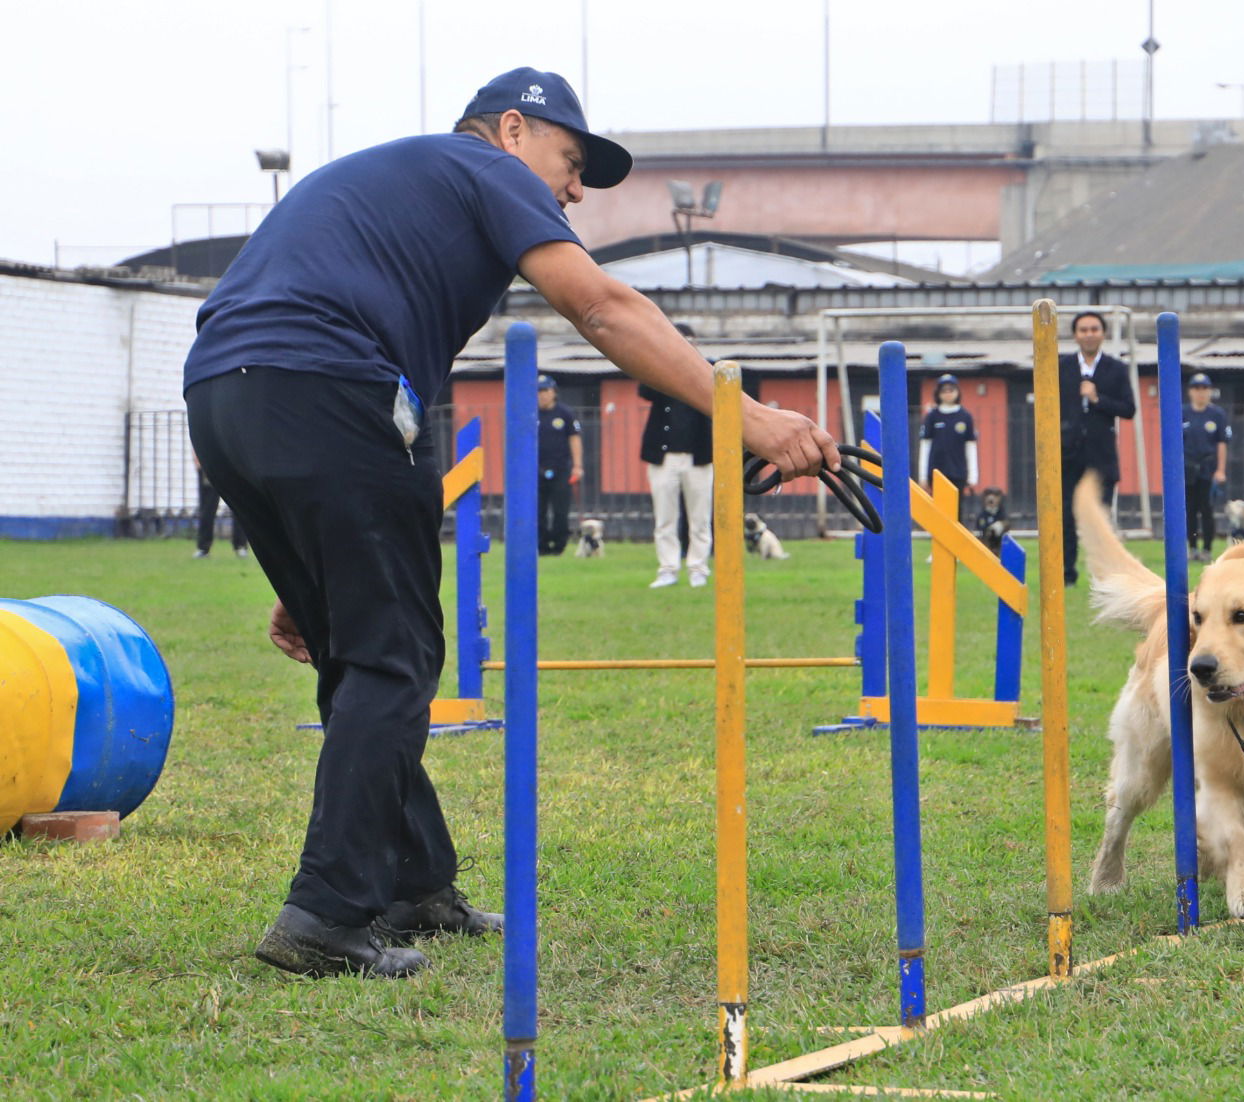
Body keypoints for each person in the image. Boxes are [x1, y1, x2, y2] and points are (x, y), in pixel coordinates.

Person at [182, 66, 837, 980]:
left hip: (222, 389)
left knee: (363, 651)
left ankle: (416, 883)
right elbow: (603, 306)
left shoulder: (404, 190)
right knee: (395, 657)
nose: (574, 191)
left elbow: (288, 347)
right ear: (514, 131)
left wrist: (310, 573)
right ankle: (326, 917)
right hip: (326, 385)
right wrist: (749, 416)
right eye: (572, 163)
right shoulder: (483, 169)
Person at [1058, 311, 1135, 585]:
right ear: (1075, 334)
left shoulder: (1116, 369)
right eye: (1083, 329)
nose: (1089, 334)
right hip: (1066, 455)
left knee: (1099, 518)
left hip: (1101, 456)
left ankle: (1102, 577)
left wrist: (1097, 398)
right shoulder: (1061, 367)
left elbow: (1128, 409)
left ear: (1102, 333)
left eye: (1094, 329)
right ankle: (1066, 574)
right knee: (1065, 515)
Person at [640, 321, 714, 588]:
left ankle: (698, 567)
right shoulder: (660, 371)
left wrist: (691, 360)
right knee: (665, 517)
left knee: (700, 517)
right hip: (665, 456)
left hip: (699, 457)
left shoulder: (708, 368)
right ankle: (668, 567)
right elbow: (644, 390)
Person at [1180, 374, 1230, 561]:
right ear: (1190, 391)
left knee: (1207, 510)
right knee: (1189, 510)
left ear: (1210, 391)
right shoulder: (1182, 412)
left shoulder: (1217, 414)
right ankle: (1192, 548)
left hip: (1208, 467)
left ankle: (1207, 549)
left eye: (1204, 389)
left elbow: (1222, 443)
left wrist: (1220, 470)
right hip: (1187, 467)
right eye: (1196, 389)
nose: (1200, 393)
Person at [536, 373, 583, 556]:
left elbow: (574, 439)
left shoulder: (565, 413)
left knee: (560, 512)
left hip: (561, 469)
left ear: (554, 392)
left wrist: (577, 466)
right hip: (536, 470)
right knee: (538, 512)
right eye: (539, 391)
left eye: (546, 391)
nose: (542, 395)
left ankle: (559, 546)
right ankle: (541, 547)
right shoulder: (531, 413)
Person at [918, 373, 979, 499]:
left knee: (957, 512)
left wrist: (973, 476)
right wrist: (923, 475)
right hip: (936, 473)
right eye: (944, 390)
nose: (948, 393)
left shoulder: (965, 416)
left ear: (957, 392)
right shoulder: (932, 416)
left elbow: (970, 446)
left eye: (951, 390)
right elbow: (925, 446)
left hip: (958, 472)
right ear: (938, 394)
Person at [194, 455, 248, 559]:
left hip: (234, 462)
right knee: (207, 508)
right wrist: (198, 456)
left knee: (240, 506)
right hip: (210, 462)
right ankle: (203, 548)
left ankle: (240, 545)